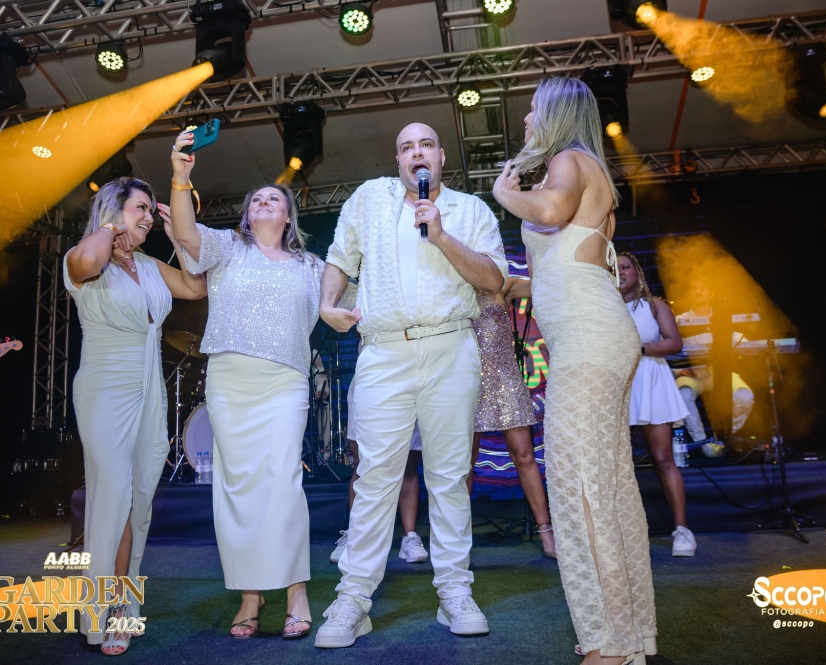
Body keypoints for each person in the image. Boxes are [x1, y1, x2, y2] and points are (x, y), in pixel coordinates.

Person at [314, 122, 507, 648]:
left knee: (449, 477)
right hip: (383, 351)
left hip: (451, 346)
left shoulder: (471, 210)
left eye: (425, 145)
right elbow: (339, 258)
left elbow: (494, 280)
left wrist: (440, 234)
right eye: (405, 147)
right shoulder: (369, 199)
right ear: (397, 159)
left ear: (441, 156)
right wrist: (327, 304)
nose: (416, 153)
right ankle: (353, 599)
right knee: (375, 477)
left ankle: (454, 593)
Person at [493, 77, 657, 665]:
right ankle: (629, 636)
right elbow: (575, 265)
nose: (526, 120)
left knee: (578, 487)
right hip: (594, 335)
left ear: (558, 115)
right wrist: (511, 285)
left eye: (534, 110)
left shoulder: (569, 161)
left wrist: (504, 192)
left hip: (588, 342)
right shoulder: (586, 169)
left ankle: (610, 643)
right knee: (606, 485)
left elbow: (550, 211)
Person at [168, 130, 323, 640]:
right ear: (247, 214)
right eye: (256, 199)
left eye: (274, 198)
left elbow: (354, 297)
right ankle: (250, 596)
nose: (263, 201)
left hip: (284, 380)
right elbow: (185, 233)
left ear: (288, 217)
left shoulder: (311, 267)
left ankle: (296, 591)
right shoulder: (229, 248)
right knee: (236, 488)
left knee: (283, 483)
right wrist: (181, 178)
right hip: (231, 380)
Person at [64, 177, 207, 655]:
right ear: (114, 209)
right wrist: (110, 228)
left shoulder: (147, 265)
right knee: (113, 496)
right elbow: (86, 263)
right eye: (140, 208)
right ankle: (99, 612)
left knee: (138, 501)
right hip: (105, 389)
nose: (148, 216)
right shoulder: (86, 255)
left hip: (150, 392)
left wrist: (179, 236)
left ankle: (124, 603)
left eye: (151, 209)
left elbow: (194, 287)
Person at [467, 288, 556, 558]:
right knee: (464, 461)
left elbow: (543, 279)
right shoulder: (453, 286)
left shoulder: (501, 285)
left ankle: (546, 531)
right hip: (467, 378)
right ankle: (458, 536)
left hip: (505, 378)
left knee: (524, 454)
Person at [618, 253, 695, 557]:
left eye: (626, 267)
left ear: (637, 272)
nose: (620, 272)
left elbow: (674, 342)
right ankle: (621, 533)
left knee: (663, 458)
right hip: (617, 383)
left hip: (651, 380)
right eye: (614, 268)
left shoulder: (654, 305)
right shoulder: (602, 306)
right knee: (617, 463)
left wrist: (637, 348)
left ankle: (683, 530)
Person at [331, 415, 429, 565]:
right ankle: (354, 536)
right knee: (361, 463)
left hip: (406, 401)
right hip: (365, 401)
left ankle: (409, 538)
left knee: (408, 463)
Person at [674, 279, 754, 445]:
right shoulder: (678, 321)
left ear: (711, 294)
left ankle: (724, 438)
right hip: (692, 374)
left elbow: (736, 338)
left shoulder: (722, 317)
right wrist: (676, 372)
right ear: (689, 295)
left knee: (744, 396)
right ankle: (702, 443)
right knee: (683, 395)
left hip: (720, 371)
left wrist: (752, 344)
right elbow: (663, 348)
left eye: (702, 287)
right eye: (694, 288)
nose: (698, 291)